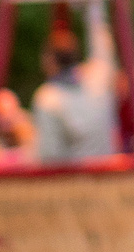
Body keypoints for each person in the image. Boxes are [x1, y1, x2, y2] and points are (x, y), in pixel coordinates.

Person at [31, 19, 119, 164]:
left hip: (73, 180)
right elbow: (104, 48)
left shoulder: (47, 98)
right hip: (107, 175)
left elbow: (49, 154)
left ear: (49, 60)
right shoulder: (98, 80)